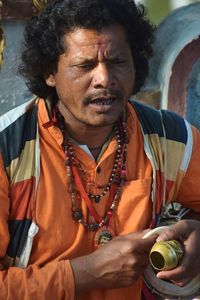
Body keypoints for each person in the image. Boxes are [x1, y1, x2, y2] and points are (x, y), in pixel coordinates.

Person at [0, 0, 200, 299]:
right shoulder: (7, 150)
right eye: (85, 66)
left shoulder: (173, 139)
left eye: (118, 62)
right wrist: (85, 274)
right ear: (49, 73)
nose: (105, 79)